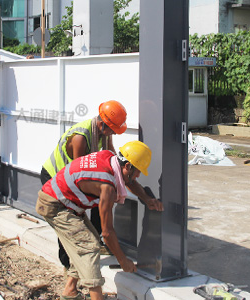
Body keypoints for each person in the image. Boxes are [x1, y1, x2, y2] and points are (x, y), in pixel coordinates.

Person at [36, 141, 163, 300]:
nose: (138, 176)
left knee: (87, 241)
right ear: (128, 166)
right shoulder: (107, 186)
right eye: (138, 171)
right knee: (88, 246)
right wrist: (123, 260)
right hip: (54, 205)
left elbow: (129, 180)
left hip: (65, 203)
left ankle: (70, 291)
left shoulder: (110, 158)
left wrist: (146, 198)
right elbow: (107, 233)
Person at [40, 100, 127, 269]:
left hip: (74, 176)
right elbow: (78, 173)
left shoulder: (104, 132)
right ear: (103, 124)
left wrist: (120, 176)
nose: (114, 134)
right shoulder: (81, 138)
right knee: (67, 216)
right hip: (54, 177)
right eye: (113, 130)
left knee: (99, 203)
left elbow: (111, 155)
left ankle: (96, 244)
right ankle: (68, 262)